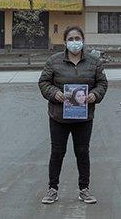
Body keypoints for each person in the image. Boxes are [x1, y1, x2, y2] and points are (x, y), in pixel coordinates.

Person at [38, 26, 108, 206]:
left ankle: (84, 190)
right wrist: (54, 93)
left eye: (78, 38)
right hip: (58, 117)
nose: (75, 42)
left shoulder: (94, 62)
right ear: (65, 42)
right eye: (71, 39)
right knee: (57, 152)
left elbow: (102, 83)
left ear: (83, 41)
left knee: (83, 152)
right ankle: (52, 189)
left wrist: (95, 95)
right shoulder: (54, 61)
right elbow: (44, 82)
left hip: (84, 117)